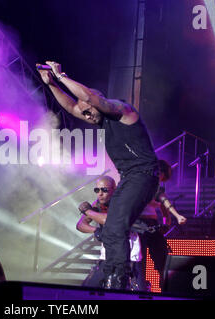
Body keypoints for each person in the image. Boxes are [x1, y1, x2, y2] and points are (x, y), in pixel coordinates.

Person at [37, 60, 159, 289]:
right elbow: (72, 107)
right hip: (129, 176)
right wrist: (51, 84)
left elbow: (90, 99)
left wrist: (61, 76)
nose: (85, 115)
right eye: (83, 113)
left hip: (143, 174)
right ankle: (114, 274)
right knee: (113, 224)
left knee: (115, 225)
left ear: (98, 104)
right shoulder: (97, 116)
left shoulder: (123, 111)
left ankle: (118, 276)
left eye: (88, 110)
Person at [76, 175, 142, 289]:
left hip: (129, 256)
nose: (100, 193)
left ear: (114, 190)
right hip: (107, 254)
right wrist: (96, 230)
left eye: (104, 190)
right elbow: (80, 225)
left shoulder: (123, 202)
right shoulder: (98, 204)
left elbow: (110, 220)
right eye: (97, 190)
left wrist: (87, 211)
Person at [133, 159, 187, 291]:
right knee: (141, 262)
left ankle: (165, 288)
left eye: (161, 174)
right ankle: (141, 290)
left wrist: (166, 225)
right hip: (137, 225)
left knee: (162, 258)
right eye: (157, 172)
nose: (159, 176)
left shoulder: (158, 190)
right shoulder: (139, 185)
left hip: (153, 225)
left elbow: (165, 209)